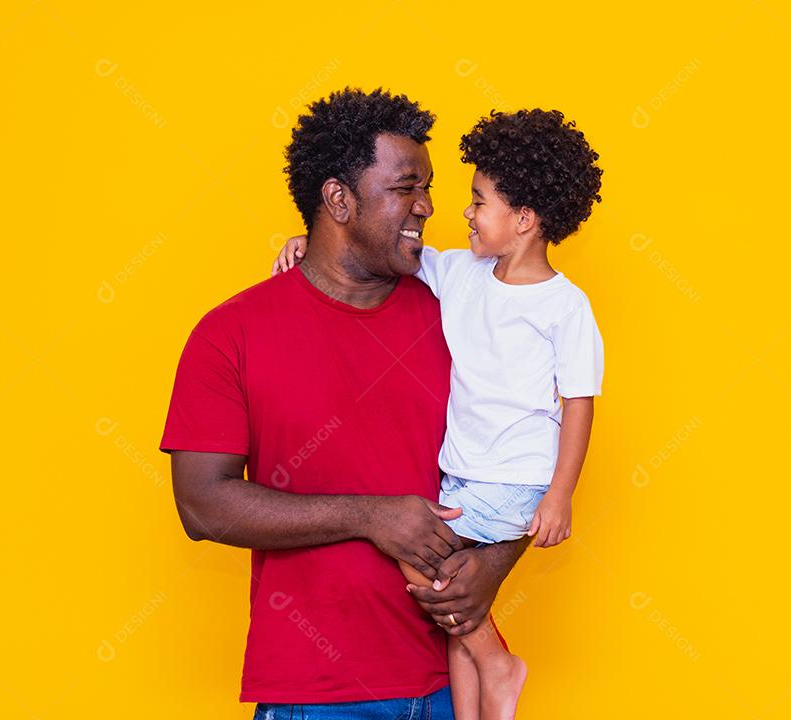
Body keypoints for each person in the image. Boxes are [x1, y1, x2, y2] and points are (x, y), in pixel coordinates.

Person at [159, 88, 530, 720]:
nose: (430, 206)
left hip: (451, 686)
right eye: (406, 187)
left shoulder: (462, 316)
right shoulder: (231, 334)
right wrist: (371, 516)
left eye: (431, 187)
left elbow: (527, 446)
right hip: (314, 693)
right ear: (338, 199)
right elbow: (202, 504)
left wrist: (495, 562)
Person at [273, 107, 605, 720]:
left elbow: (580, 404)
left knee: (417, 550)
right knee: (452, 622)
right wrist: (305, 240)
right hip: (463, 474)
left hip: (514, 477)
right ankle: (479, 706)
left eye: (478, 202)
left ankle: (502, 664)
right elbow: (366, 249)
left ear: (525, 219)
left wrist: (559, 495)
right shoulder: (460, 272)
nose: (462, 213)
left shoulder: (564, 305)